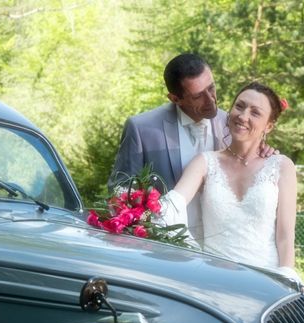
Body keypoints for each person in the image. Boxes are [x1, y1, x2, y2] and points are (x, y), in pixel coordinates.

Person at [110, 53, 274, 244]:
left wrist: (266, 152)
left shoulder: (235, 124)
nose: (211, 100)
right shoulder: (142, 129)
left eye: (211, 88)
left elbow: (253, 166)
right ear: (175, 98)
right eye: (198, 96)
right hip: (162, 246)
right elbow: (120, 192)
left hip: (222, 246)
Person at [161, 81, 298, 279]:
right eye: (239, 106)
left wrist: (286, 278)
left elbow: (285, 236)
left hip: (265, 281)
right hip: (212, 279)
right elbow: (171, 206)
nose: (243, 116)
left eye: (255, 112)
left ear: (268, 126)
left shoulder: (282, 166)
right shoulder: (204, 162)